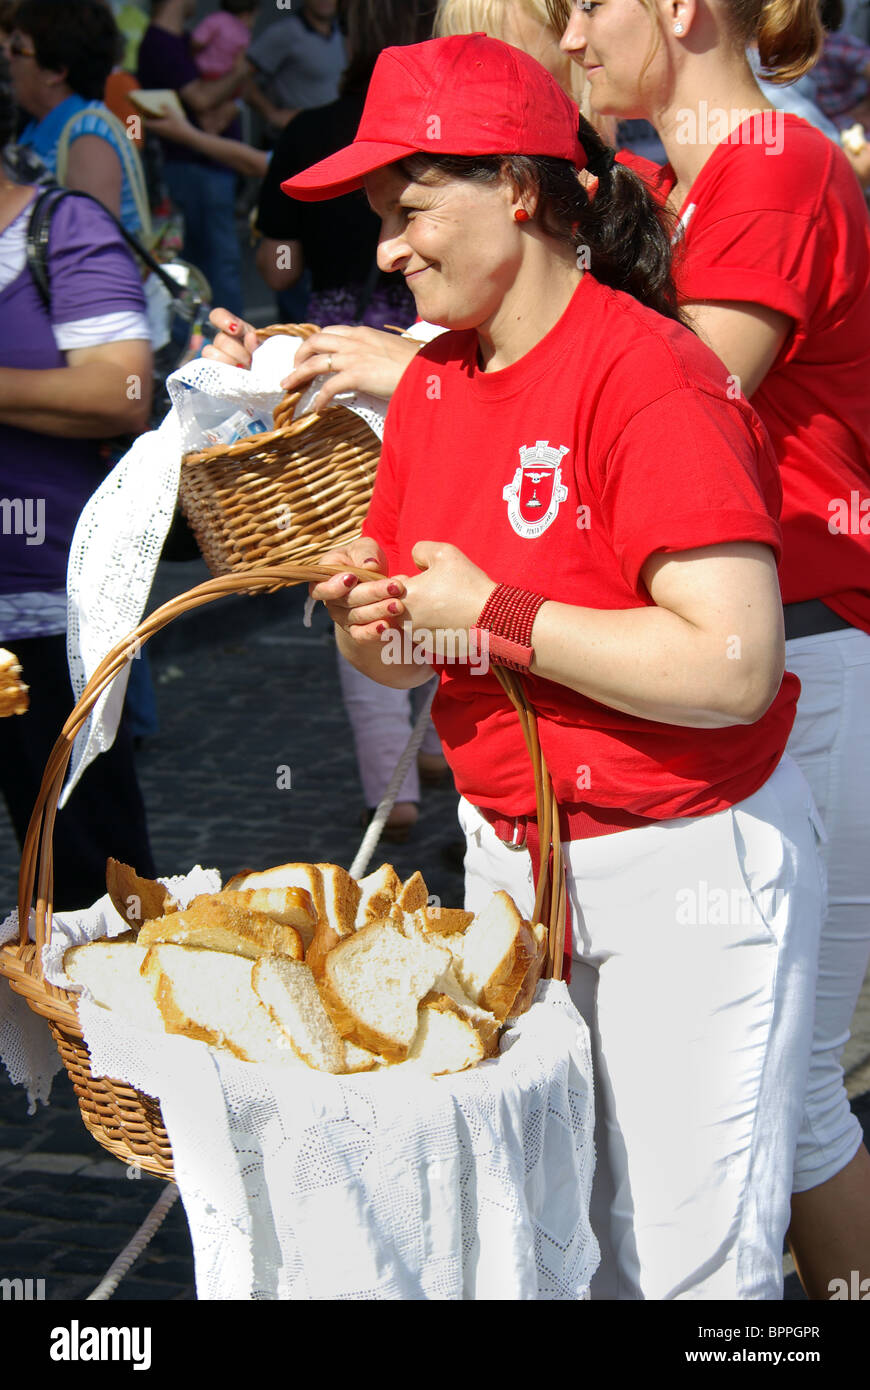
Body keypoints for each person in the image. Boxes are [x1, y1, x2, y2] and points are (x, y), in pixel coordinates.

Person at [280, 33, 826, 1300]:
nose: (385, 249)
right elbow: (424, 646)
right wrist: (381, 624)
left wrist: (496, 610)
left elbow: (734, 663)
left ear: (520, 191)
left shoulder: (650, 372)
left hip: (682, 856)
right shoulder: (429, 388)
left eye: (409, 211)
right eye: (378, 220)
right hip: (513, 862)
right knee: (546, 1249)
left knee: (693, 1275)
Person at [549, 0, 870, 1302]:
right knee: (750, 1080)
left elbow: (662, 399)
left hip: (801, 650)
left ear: (679, 6)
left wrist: (419, 384)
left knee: (788, 1087)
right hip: (747, 652)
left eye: (584, 4)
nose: (567, 38)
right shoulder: (686, 178)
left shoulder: (774, 167)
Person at [0, 75, 156, 910]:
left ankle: (105, 1046)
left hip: (46, 612)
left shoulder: (60, 228)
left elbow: (123, 392)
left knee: (89, 885)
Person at [137, 0, 247, 310]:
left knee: (212, 264)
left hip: (205, 169)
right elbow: (200, 99)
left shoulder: (183, 41)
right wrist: (241, 70)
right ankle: (227, 346)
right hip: (193, 170)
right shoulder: (161, 43)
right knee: (213, 266)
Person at [6, 0, 150, 234]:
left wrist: (130, 142)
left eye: (17, 49)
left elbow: (134, 128)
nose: (6, 58)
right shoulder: (37, 123)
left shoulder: (91, 135)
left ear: (57, 71)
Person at [244, 0, 346, 138]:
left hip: (331, 136)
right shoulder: (284, 32)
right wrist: (271, 113)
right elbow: (241, 77)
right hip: (294, 139)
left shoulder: (342, 33)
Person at [192, 0, 256, 82]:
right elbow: (238, 64)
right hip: (221, 78)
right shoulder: (244, 33)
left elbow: (197, 42)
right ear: (246, 15)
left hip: (199, 69)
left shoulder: (217, 18)